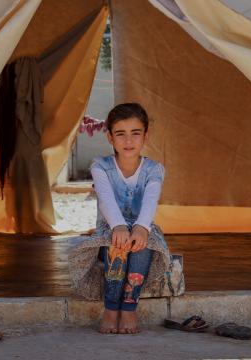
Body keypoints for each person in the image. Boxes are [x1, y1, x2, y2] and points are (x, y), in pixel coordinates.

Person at [89, 103, 166, 334]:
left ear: (146, 136)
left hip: (143, 228)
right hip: (110, 230)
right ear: (110, 138)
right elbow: (106, 200)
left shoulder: (155, 169)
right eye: (120, 134)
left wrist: (141, 228)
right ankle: (111, 308)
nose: (128, 141)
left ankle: (130, 307)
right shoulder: (100, 166)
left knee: (141, 245)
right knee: (118, 244)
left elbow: (151, 200)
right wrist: (119, 226)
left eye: (136, 133)